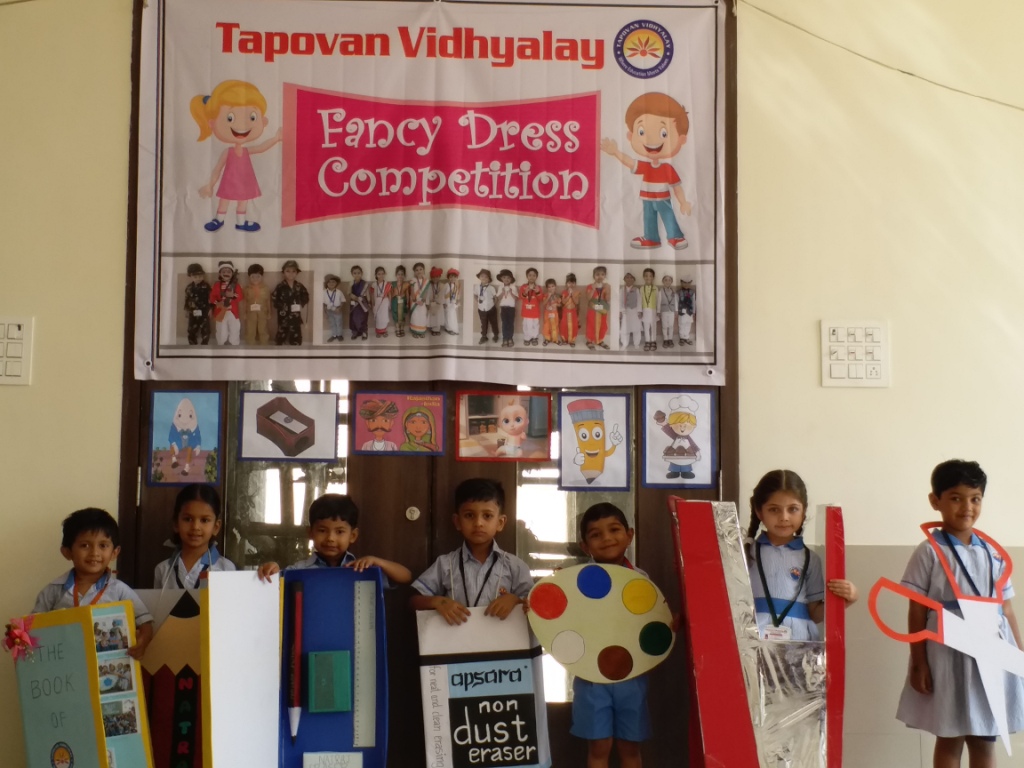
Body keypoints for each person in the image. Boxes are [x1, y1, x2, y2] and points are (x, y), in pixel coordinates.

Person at [895, 460, 1024, 768]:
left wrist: (1018, 655)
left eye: (975, 498)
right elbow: (917, 608)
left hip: (991, 652)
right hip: (947, 651)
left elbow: (1006, 608)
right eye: (956, 498)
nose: (967, 507)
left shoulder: (993, 553)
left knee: (984, 738)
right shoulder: (928, 551)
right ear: (935, 501)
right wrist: (919, 662)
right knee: (950, 736)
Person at [571, 503, 651, 768]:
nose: (606, 538)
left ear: (630, 535)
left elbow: (652, 622)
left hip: (632, 673)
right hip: (591, 674)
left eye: (614, 530)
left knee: (630, 746)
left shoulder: (641, 579)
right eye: (596, 534)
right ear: (585, 546)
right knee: (599, 745)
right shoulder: (575, 582)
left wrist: (669, 624)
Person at [744, 469, 858, 642]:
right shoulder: (746, 553)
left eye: (793, 509)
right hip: (753, 641)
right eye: (774, 509)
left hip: (799, 643)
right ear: (759, 512)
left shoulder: (810, 559)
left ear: (803, 512)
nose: (784, 517)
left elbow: (815, 614)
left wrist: (846, 600)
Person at [33, 508, 154, 659]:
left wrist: (143, 641)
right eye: (85, 545)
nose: (94, 553)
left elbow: (145, 623)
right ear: (67, 552)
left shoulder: (120, 591)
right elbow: (32, 626)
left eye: (103, 545)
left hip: (105, 666)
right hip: (65, 665)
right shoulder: (53, 591)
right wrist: (17, 634)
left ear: (114, 552)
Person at [410, 478, 533, 625]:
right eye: (469, 515)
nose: (478, 523)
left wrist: (515, 599)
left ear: (500, 523)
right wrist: (439, 602)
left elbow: (533, 605)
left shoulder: (515, 566)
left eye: (487, 516)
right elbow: (414, 601)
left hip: (503, 638)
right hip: (455, 638)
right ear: (457, 522)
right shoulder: (445, 564)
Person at [600, 92, 692, 250]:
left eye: (664, 133)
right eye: (641, 132)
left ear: (681, 139)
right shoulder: (645, 166)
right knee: (649, 218)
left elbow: (676, 187)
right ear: (631, 136)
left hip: (663, 198)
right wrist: (615, 152)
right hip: (647, 198)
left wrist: (683, 202)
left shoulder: (667, 168)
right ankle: (651, 238)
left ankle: (675, 236)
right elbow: (630, 162)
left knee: (668, 216)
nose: (653, 140)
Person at [190, 79, 282, 233]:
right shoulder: (228, 152)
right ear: (212, 123)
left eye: (252, 117)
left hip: (245, 183)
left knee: (243, 201)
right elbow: (217, 169)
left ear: (263, 121)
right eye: (230, 118)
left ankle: (241, 222)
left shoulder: (246, 151)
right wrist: (210, 185)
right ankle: (219, 220)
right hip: (229, 183)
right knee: (224, 200)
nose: (241, 126)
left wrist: (276, 139)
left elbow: (261, 148)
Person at [258, 494, 412, 583]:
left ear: (353, 536)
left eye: (339, 532)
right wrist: (271, 570)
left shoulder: (362, 570)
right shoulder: (300, 570)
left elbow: (406, 576)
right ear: (310, 533)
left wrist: (376, 561)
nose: (330, 538)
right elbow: (274, 583)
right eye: (322, 530)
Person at [153, 484, 236, 590]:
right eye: (188, 519)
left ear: (216, 527)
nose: (195, 527)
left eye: (204, 520)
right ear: (176, 524)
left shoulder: (226, 569)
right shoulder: (163, 570)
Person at [271, 260, 309, 346]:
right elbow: (274, 297)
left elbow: (305, 295)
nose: (290, 274)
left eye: (293, 271)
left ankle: (296, 345)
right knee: (282, 331)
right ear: (283, 272)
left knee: (296, 331)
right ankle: (280, 344)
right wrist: (281, 306)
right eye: (288, 271)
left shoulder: (299, 286)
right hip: (283, 314)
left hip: (295, 314)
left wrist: (300, 303)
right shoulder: (280, 286)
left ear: (297, 273)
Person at [210, 260, 241, 346]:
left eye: (228, 271)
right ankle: (221, 345)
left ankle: (234, 344)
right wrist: (218, 303)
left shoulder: (236, 285)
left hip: (232, 311)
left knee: (235, 329)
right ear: (220, 274)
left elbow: (240, 296)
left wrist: (233, 296)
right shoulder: (216, 285)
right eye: (223, 272)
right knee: (221, 330)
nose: (226, 273)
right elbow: (212, 297)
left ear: (232, 273)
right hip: (220, 310)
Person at [183, 263, 211, 346]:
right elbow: (187, 299)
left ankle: (204, 344)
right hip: (193, 312)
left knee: (206, 329)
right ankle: (192, 344)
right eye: (195, 277)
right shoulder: (189, 288)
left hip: (204, 311)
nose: (198, 278)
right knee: (191, 329)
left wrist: (211, 309)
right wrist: (186, 310)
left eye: (200, 276)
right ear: (191, 277)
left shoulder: (206, 286)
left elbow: (211, 298)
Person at [243, 263, 270, 345]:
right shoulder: (246, 288)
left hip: (263, 312)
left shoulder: (266, 288)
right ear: (249, 277)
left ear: (262, 277)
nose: (255, 279)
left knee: (263, 328)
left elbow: (268, 301)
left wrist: (269, 312)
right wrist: (244, 313)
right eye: (252, 276)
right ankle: (250, 344)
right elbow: (245, 301)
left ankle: (264, 344)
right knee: (250, 329)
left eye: (258, 276)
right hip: (250, 313)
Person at [586, 266, 611, 350]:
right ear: (594, 276)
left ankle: (600, 340)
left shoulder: (606, 286)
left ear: (605, 276)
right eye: (597, 274)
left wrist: (607, 290)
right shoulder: (590, 286)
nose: (600, 276)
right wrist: (593, 289)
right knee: (591, 325)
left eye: (602, 274)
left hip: (602, 310)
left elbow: (607, 299)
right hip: (592, 311)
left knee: (603, 325)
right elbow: (588, 298)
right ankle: (589, 341)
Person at [519, 267, 543, 346]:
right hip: (526, 311)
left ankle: (535, 337)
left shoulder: (538, 287)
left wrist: (537, 292)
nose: (532, 277)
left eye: (534, 275)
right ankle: (527, 338)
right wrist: (525, 292)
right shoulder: (523, 287)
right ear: (527, 276)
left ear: (536, 277)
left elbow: (541, 299)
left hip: (535, 311)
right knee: (526, 325)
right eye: (530, 275)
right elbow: (521, 297)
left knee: (535, 324)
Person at [619, 273, 642, 350]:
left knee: (636, 327)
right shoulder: (622, 290)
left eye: (631, 278)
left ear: (633, 280)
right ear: (624, 279)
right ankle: (624, 343)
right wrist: (621, 311)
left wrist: (639, 311)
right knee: (625, 327)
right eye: (627, 277)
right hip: (626, 311)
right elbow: (620, 301)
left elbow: (639, 301)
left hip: (635, 310)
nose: (629, 279)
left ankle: (636, 343)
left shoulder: (636, 290)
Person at [475, 268, 498, 345]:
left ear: (489, 279)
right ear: (479, 277)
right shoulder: (477, 287)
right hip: (481, 309)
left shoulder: (491, 288)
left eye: (486, 277)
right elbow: (475, 295)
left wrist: (493, 305)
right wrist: (477, 301)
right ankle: (484, 336)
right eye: (482, 276)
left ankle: (496, 335)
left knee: (494, 322)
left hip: (491, 308)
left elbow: (495, 298)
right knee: (483, 323)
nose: (484, 278)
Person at [408, 262, 431, 339]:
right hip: (414, 302)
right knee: (415, 316)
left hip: (422, 302)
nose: (419, 271)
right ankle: (414, 331)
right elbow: (411, 291)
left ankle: (421, 331)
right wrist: (414, 300)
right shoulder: (413, 280)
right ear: (414, 272)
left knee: (422, 316)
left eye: (421, 269)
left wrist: (423, 300)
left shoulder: (426, 281)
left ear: (424, 270)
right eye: (416, 270)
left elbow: (426, 292)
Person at [497, 269, 518, 347]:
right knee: (504, 324)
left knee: (510, 324)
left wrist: (511, 293)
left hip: (511, 308)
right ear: (501, 278)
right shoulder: (500, 287)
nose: (506, 279)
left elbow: (516, 298)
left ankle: (510, 338)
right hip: (503, 308)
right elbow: (498, 298)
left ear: (511, 279)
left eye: (508, 278)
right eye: (504, 277)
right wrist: (502, 293)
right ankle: (505, 338)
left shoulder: (513, 287)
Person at [348, 265, 370, 340]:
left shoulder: (365, 284)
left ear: (361, 273)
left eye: (358, 273)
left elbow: (367, 293)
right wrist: (353, 296)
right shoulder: (351, 283)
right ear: (352, 274)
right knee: (353, 318)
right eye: (355, 273)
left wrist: (369, 302)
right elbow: (348, 292)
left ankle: (364, 332)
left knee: (363, 318)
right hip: (354, 304)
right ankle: (355, 332)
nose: (357, 275)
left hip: (363, 304)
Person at [560, 273, 581, 347]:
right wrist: (569, 295)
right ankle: (564, 339)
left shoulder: (577, 292)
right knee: (564, 325)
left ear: (575, 284)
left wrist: (572, 295)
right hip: (565, 311)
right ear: (566, 284)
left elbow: (577, 302)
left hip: (573, 312)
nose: (571, 284)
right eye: (569, 283)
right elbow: (563, 302)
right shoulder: (564, 292)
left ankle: (572, 340)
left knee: (574, 325)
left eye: (573, 283)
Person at [640, 268, 658, 351]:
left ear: (653, 277)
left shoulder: (655, 288)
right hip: (645, 310)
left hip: (653, 310)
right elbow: (639, 300)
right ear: (643, 277)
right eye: (646, 276)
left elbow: (657, 300)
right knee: (646, 326)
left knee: (653, 326)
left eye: (650, 276)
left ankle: (653, 341)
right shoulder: (641, 288)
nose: (648, 277)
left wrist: (658, 311)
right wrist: (640, 311)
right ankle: (647, 341)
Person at [371, 266, 392, 338]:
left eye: (382, 274)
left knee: (384, 317)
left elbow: (389, 294)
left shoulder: (387, 284)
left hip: (385, 302)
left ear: (384, 274)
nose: (381, 275)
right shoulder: (373, 284)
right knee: (378, 318)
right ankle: (378, 332)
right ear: (376, 275)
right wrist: (373, 304)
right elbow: (372, 295)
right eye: (379, 274)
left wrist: (389, 303)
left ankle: (384, 331)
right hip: (377, 302)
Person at [657, 274, 677, 348]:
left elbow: (675, 301)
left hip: (671, 310)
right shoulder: (660, 291)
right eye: (666, 280)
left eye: (669, 280)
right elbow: (659, 301)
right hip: (664, 311)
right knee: (664, 326)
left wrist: (676, 310)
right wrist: (658, 311)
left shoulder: (673, 291)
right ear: (663, 282)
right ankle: (665, 339)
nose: (667, 282)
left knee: (671, 325)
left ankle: (670, 339)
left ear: (671, 282)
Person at [323, 274, 344, 342]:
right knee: (332, 323)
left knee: (339, 323)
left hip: (337, 310)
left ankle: (339, 335)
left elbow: (343, 301)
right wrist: (325, 313)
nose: (331, 283)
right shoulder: (324, 292)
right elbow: (324, 304)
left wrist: (339, 308)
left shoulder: (339, 292)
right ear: (326, 283)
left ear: (336, 283)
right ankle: (334, 335)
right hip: (329, 310)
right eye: (329, 282)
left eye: (333, 282)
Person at [390, 265, 409, 338]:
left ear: (404, 275)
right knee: (396, 316)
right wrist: (394, 294)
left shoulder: (406, 284)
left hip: (403, 301)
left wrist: (407, 303)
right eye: (398, 274)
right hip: (395, 302)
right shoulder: (393, 284)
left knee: (403, 315)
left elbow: (407, 294)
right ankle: (397, 329)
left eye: (402, 274)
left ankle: (402, 328)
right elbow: (390, 295)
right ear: (396, 275)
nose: (400, 276)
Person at [541, 278, 561, 346]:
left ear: (555, 286)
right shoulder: (545, 295)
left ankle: (555, 339)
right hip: (547, 313)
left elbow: (560, 304)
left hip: (554, 313)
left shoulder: (557, 295)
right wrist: (548, 296)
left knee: (555, 325)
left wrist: (556, 305)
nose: (551, 288)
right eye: (549, 287)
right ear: (547, 288)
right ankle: (547, 339)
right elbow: (544, 303)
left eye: (552, 286)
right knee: (547, 326)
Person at [442, 268, 461, 336]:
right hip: (447, 303)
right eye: (451, 277)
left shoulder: (456, 286)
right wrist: (443, 303)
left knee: (453, 316)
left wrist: (457, 301)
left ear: (456, 278)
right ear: (448, 277)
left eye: (454, 277)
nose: (453, 278)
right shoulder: (446, 285)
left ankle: (454, 329)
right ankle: (448, 329)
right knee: (448, 316)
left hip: (453, 303)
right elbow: (443, 295)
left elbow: (457, 294)